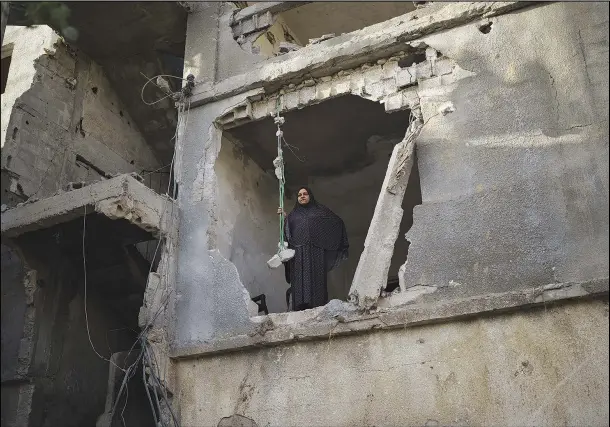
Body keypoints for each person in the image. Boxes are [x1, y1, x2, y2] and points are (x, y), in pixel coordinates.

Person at [278, 187, 349, 311]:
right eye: (299, 195)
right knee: (299, 280)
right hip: (298, 254)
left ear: (310, 196)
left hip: (316, 253)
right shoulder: (293, 216)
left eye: (305, 194)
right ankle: (300, 307)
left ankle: (318, 306)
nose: (302, 196)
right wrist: (284, 218)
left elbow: (336, 222)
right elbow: (287, 235)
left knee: (316, 278)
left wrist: (322, 241)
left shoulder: (320, 211)